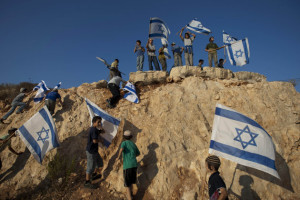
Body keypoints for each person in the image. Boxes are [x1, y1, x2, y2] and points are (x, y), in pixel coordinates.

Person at [118, 130, 140, 200]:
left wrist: (118, 157)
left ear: (124, 137)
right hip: (134, 165)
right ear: (131, 137)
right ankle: (131, 194)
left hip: (127, 166)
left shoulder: (124, 143)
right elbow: (138, 153)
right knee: (132, 181)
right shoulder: (133, 144)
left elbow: (121, 149)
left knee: (127, 184)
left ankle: (129, 198)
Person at [84, 116, 105, 189]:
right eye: (98, 122)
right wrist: (101, 141)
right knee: (90, 167)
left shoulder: (95, 129)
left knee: (100, 163)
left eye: (100, 122)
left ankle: (94, 175)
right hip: (91, 151)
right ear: (94, 122)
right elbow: (94, 141)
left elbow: (100, 132)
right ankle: (87, 182)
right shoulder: (93, 130)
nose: (99, 123)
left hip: (94, 151)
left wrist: (100, 129)